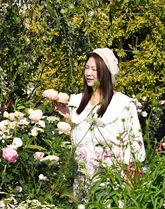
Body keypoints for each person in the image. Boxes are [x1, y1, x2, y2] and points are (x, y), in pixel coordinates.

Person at [43, 48, 146, 196]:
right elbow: (77, 145)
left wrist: (130, 185)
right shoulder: (77, 102)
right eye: (86, 68)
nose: (88, 73)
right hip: (83, 183)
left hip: (114, 185)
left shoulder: (123, 104)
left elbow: (135, 146)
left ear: (106, 72)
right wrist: (68, 119)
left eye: (94, 69)